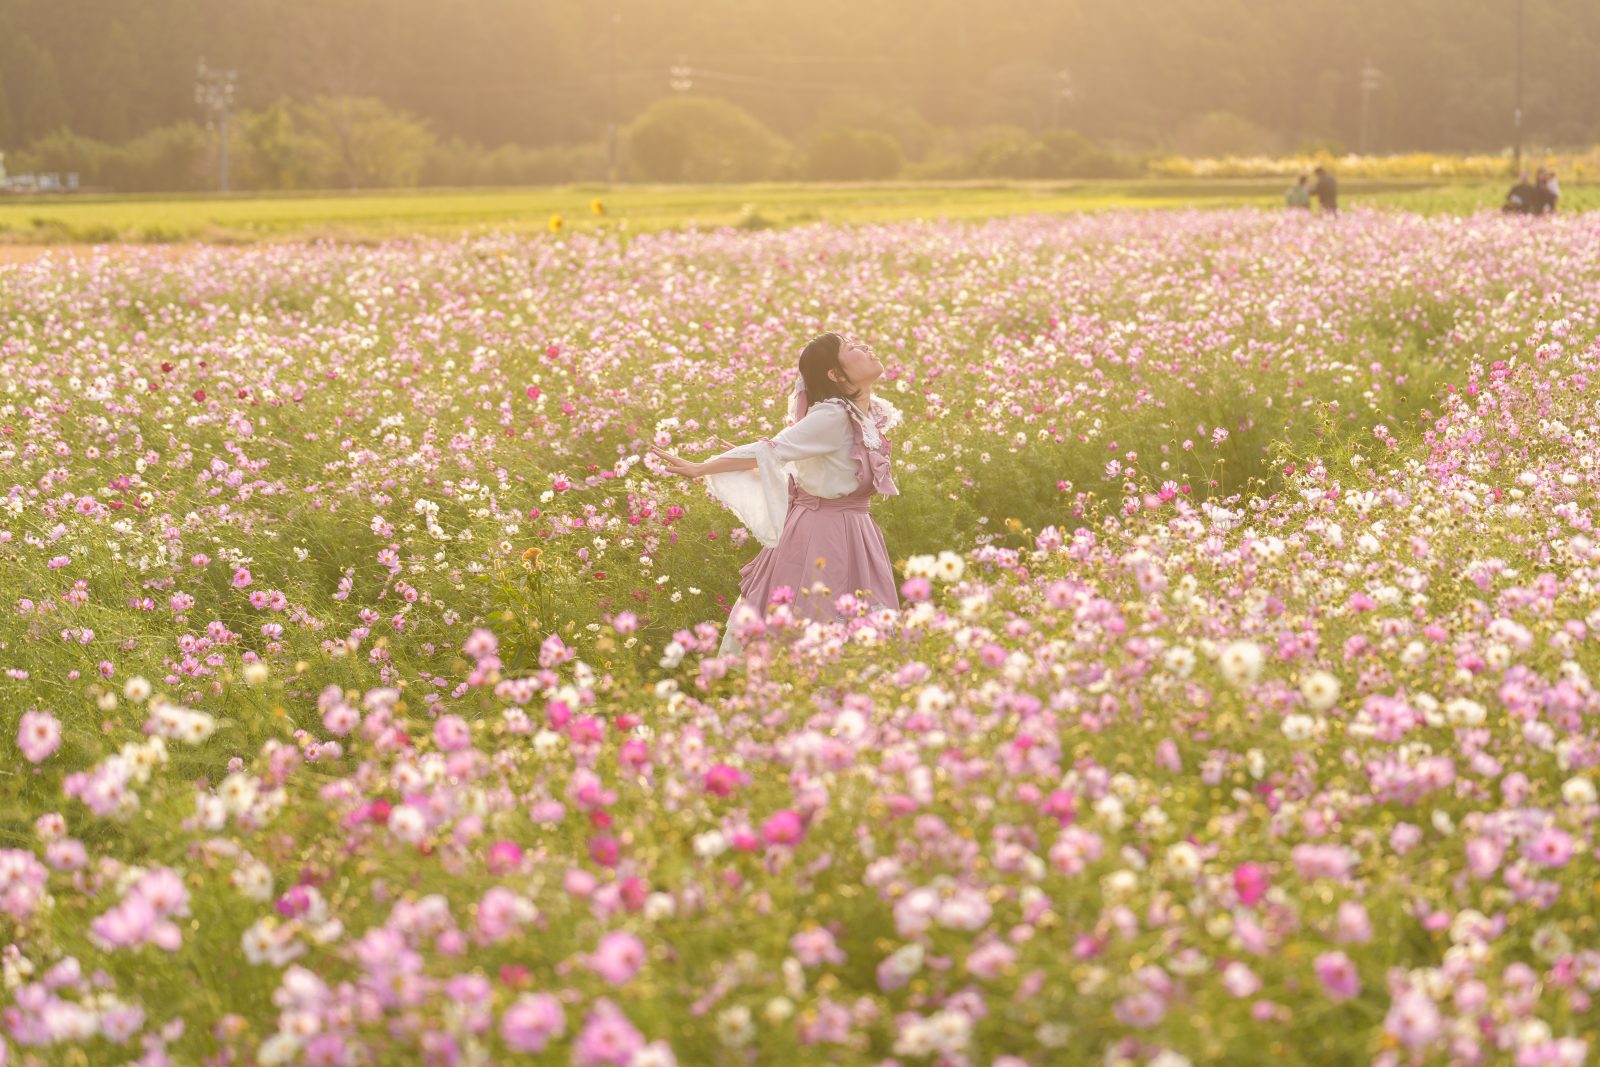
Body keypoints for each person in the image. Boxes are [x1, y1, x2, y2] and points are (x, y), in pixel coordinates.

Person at [650, 332, 902, 656]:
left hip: (856, 531)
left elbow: (810, 468)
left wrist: (751, 461)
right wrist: (702, 467)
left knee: (851, 622)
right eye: (851, 348)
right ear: (835, 375)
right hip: (825, 535)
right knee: (817, 621)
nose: (866, 347)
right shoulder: (834, 415)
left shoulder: (863, 414)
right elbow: (772, 450)